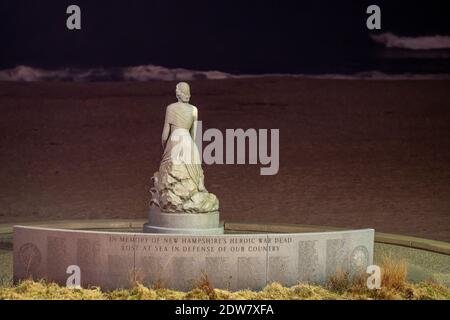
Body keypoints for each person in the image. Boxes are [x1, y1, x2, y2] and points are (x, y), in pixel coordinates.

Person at [150, 82, 219, 214]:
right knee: (195, 166)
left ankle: (171, 199)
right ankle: (199, 186)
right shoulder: (194, 109)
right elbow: (194, 134)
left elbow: (165, 134)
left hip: (175, 139)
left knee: (168, 169)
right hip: (188, 141)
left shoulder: (171, 108)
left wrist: (166, 147)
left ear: (178, 93)